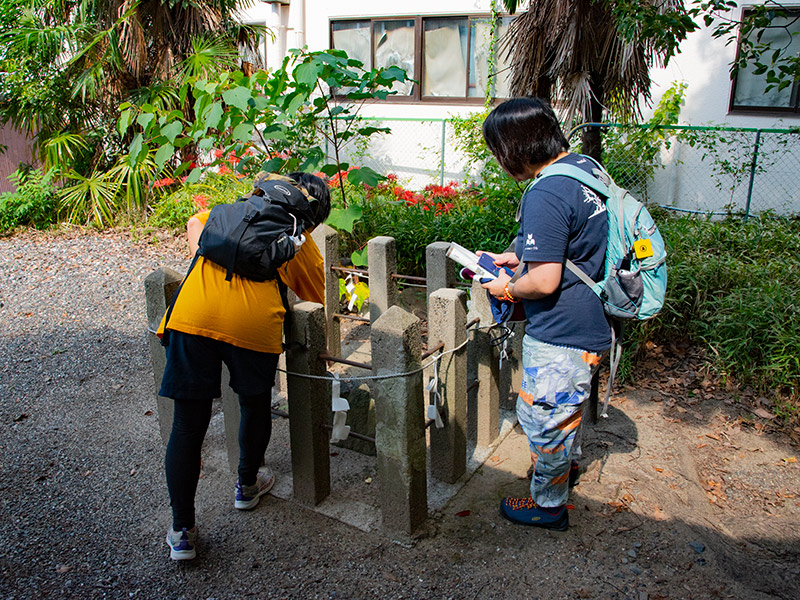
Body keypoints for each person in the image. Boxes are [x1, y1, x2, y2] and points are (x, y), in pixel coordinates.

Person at [156, 172, 331, 560]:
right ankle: (247, 487)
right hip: (252, 326)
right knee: (253, 405)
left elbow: (194, 224)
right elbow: (316, 292)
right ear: (311, 213)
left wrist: (220, 255)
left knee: (187, 425)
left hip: (192, 317)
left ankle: (182, 530)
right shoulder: (295, 235)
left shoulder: (228, 212)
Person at [479, 98, 611, 530]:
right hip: (591, 320)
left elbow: (546, 280)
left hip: (561, 330)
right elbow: (573, 244)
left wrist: (507, 286)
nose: (499, 161)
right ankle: (565, 470)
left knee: (545, 418)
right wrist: (513, 256)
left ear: (515, 147)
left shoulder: (546, 190)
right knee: (564, 409)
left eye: (499, 150)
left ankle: (548, 506)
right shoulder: (583, 171)